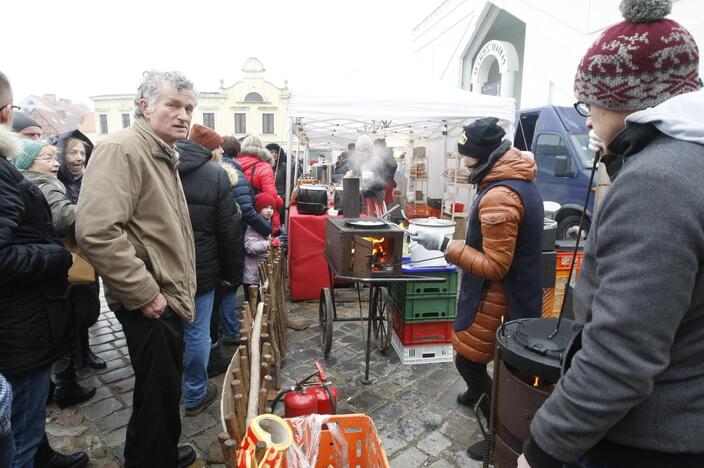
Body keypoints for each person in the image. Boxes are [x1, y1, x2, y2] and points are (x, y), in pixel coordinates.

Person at [521, 1, 704, 467]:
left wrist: (543, 447)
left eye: (591, 102)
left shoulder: (657, 182)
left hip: (647, 439)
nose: (586, 119)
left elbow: (621, 356)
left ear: (629, 99)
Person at [76, 70, 198, 468]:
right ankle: (150, 459)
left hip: (165, 292)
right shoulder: (122, 148)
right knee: (156, 388)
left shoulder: (161, 150)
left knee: (161, 388)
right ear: (145, 107)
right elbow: (95, 231)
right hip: (150, 296)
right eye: (173, 105)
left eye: (189, 108)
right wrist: (145, 292)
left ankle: (157, 451)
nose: (183, 115)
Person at [412, 117, 543, 461]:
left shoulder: (500, 194)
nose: (465, 162)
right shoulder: (506, 179)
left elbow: (496, 265)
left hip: (500, 296)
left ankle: (496, 432)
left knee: (471, 362)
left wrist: (445, 243)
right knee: (484, 360)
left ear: (483, 156)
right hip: (502, 293)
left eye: (467, 156)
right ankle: (480, 394)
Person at [0, 71, 75, 468]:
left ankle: (39, 452)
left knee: (28, 416)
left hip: (24, 317)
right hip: (19, 322)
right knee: (19, 428)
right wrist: (55, 255)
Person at [12, 140, 98, 412]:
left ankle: (61, 384)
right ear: (28, 164)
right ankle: (66, 386)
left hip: (45, 266)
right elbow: (63, 218)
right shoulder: (44, 185)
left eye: (53, 158)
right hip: (58, 262)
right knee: (66, 323)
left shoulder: (31, 184)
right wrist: (95, 209)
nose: (55, 163)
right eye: (46, 159)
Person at [175, 124, 243, 414]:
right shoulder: (215, 174)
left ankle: (172, 388)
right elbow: (228, 232)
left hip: (166, 265)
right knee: (197, 332)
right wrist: (232, 274)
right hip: (202, 267)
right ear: (213, 150)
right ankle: (194, 394)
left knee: (171, 331)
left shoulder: (166, 165)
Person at [50, 130, 104, 372]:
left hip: (89, 253)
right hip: (66, 254)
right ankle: (72, 359)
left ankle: (86, 350)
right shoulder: (55, 180)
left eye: (82, 152)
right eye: (73, 152)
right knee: (68, 309)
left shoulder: (90, 178)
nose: (78, 157)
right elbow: (61, 218)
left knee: (88, 305)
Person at [218, 136, 268, 346]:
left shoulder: (218, 168)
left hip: (213, 237)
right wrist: (265, 227)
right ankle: (229, 330)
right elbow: (246, 210)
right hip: (228, 236)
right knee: (230, 284)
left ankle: (221, 327)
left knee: (218, 286)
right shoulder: (232, 173)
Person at [236, 134, 283, 231]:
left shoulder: (235, 162)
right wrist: (280, 202)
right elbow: (270, 194)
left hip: (237, 210)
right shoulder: (264, 166)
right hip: (256, 212)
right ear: (261, 148)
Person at [243, 193, 280, 304]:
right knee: (254, 303)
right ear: (258, 208)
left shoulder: (268, 224)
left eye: (271, 208)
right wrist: (269, 244)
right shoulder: (253, 226)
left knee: (263, 303)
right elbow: (249, 246)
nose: (269, 211)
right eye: (265, 207)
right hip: (252, 275)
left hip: (262, 273)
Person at [265, 142, 301, 223]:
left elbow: (290, 184)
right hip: (267, 200)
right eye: (272, 152)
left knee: (278, 223)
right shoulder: (264, 166)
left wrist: (284, 197)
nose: (274, 154)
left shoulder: (284, 167)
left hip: (280, 200)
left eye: (276, 152)